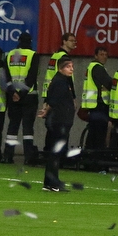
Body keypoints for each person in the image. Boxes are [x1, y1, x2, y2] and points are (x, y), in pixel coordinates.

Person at [38, 57, 76, 192]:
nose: (71, 69)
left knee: (53, 152)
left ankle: (49, 182)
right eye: (68, 67)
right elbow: (53, 101)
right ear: (61, 68)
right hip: (60, 121)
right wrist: (46, 111)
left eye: (72, 66)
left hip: (59, 120)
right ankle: (54, 183)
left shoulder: (60, 80)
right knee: (56, 152)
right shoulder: (60, 81)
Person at [2, 32, 39, 164]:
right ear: (30, 42)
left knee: (12, 127)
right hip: (29, 96)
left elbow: (6, 77)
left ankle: (8, 155)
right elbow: (31, 77)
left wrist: (13, 93)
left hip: (13, 97)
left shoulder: (9, 55)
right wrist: (21, 93)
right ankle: (28, 157)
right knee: (28, 128)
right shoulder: (33, 55)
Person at [81, 46, 111, 151]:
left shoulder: (92, 67)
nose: (104, 57)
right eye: (101, 55)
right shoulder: (98, 68)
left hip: (93, 105)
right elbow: (109, 83)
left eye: (106, 55)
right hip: (99, 105)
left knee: (93, 133)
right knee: (98, 135)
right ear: (95, 56)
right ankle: (95, 159)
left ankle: (89, 158)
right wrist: (105, 87)